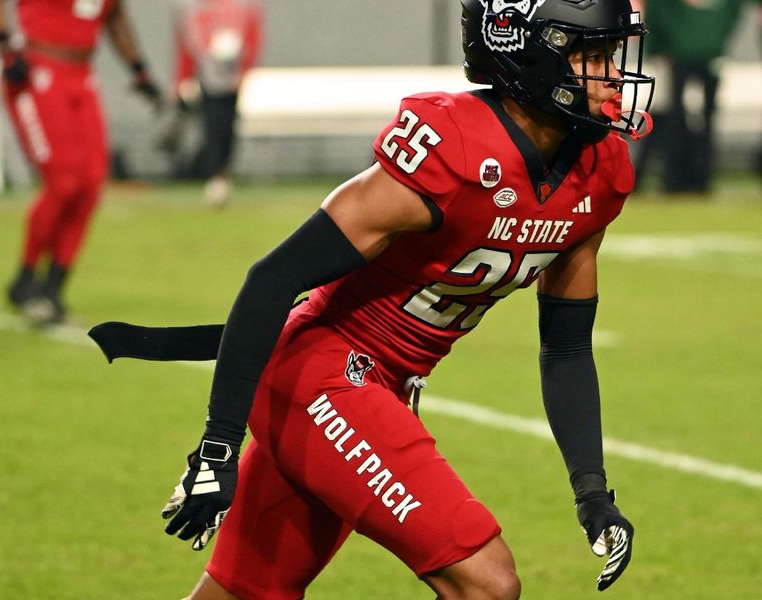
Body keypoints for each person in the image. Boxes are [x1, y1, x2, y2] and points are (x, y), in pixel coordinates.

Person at [90, 1, 654, 597]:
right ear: (525, 49)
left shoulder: (600, 171)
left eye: (611, 54)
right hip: (326, 376)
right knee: (487, 583)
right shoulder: (457, 149)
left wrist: (592, 491)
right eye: (589, 54)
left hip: (380, 387)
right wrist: (217, 445)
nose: (612, 75)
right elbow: (273, 278)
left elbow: (566, 347)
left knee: (243, 594)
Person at [0, 0, 161, 326]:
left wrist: (138, 68)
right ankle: (25, 276)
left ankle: (52, 288)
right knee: (63, 181)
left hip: (81, 74)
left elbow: (115, 16)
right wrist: (3, 44)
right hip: (37, 67)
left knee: (91, 183)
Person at [640, 0, 755, 193]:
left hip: (704, 57)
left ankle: (698, 178)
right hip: (676, 59)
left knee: (702, 119)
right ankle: (675, 177)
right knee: (674, 117)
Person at [172, 0, 263, 206]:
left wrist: (244, 70)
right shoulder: (192, 9)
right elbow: (186, 44)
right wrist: (182, 78)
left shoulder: (242, 7)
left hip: (231, 78)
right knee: (212, 125)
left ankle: (221, 174)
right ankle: (216, 176)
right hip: (207, 76)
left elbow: (253, 37)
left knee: (227, 126)